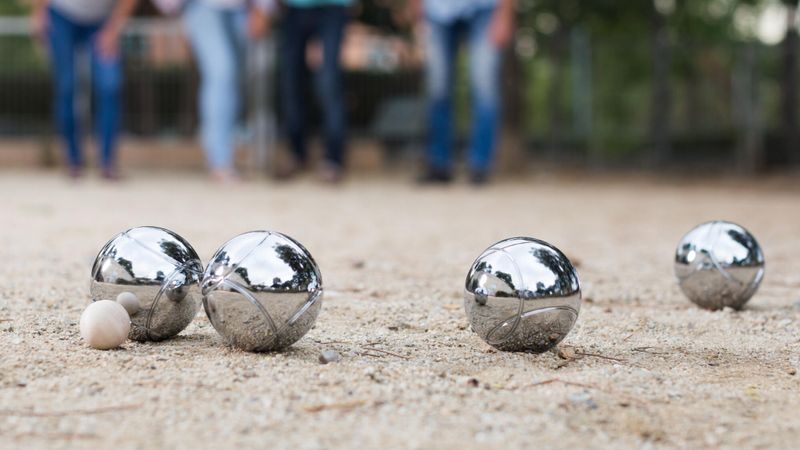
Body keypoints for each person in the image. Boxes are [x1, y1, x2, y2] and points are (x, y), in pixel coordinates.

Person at [32, 0, 139, 180]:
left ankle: (107, 162)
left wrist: (113, 29)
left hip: (102, 20)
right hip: (62, 16)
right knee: (67, 86)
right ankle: (73, 160)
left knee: (110, 85)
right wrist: (39, 12)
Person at [412, 0, 514, 185]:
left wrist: (504, 15)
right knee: (437, 89)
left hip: (486, 8)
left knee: (484, 86)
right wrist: (418, 8)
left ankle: (480, 166)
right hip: (437, 10)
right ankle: (439, 164)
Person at [178, 0, 271, 183]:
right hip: (201, 6)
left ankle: (221, 148)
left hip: (241, 8)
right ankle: (219, 160)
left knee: (236, 79)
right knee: (222, 72)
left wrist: (263, 8)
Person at [275, 0, 353, 183]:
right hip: (294, 7)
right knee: (291, 82)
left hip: (334, 6)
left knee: (329, 82)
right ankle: (296, 153)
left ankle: (333, 159)